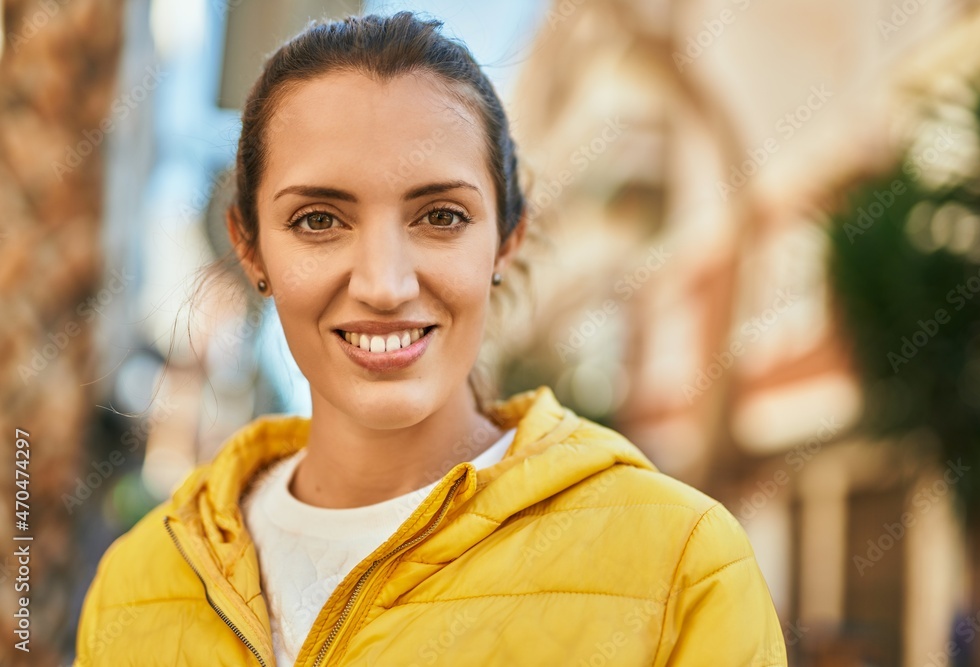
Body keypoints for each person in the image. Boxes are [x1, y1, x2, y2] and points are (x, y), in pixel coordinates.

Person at [74, 12, 786, 667]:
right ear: (250, 247)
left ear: (507, 240)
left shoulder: (682, 566)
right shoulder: (140, 579)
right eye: (319, 220)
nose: (384, 284)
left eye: (440, 216)